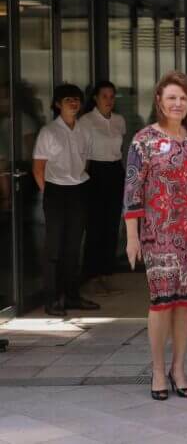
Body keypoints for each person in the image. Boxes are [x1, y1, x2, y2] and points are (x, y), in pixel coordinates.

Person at [123, 71, 187, 401]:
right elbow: (132, 191)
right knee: (161, 304)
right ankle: (158, 370)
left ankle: (179, 368)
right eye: (172, 97)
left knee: (184, 305)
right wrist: (132, 237)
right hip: (158, 234)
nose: (178, 103)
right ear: (159, 100)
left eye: (183, 98)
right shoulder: (143, 140)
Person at [32, 83, 99, 317]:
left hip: (79, 189)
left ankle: (72, 296)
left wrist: (77, 183)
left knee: (73, 247)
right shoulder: (48, 132)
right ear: (58, 104)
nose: (73, 103)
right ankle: (52, 299)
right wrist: (48, 192)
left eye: (76, 99)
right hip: (56, 192)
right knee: (54, 248)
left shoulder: (85, 130)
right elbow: (38, 168)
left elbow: (86, 162)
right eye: (68, 100)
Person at [80, 81, 127, 297]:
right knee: (95, 226)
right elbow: (82, 154)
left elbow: (121, 149)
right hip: (94, 172)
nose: (109, 100)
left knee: (111, 226)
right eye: (105, 96)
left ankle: (107, 274)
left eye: (112, 96)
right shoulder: (86, 121)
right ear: (95, 99)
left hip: (115, 170)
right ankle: (91, 276)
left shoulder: (119, 121)